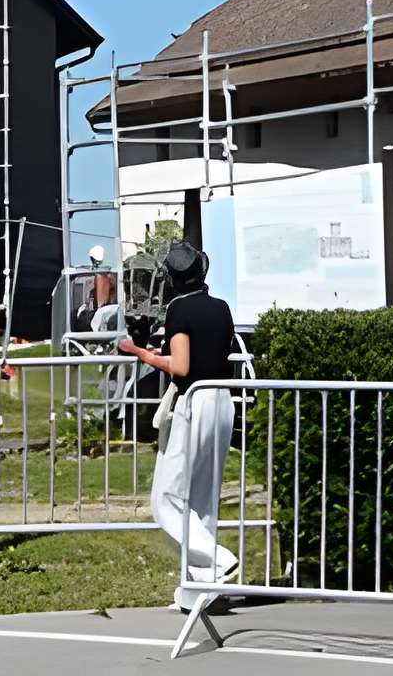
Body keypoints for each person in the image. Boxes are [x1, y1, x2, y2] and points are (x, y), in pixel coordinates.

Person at [120, 237, 240, 598]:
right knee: (203, 498)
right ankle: (199, 590)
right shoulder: (220, 307)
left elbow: (181, 365)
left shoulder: (178, 310)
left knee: (166, 496)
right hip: (224, 401)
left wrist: (140, 352)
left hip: (196, 400)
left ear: (170, 279)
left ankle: (217, 560)